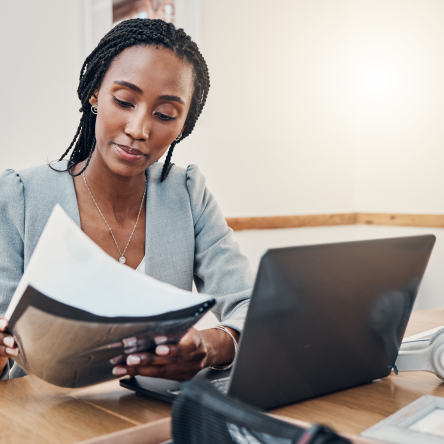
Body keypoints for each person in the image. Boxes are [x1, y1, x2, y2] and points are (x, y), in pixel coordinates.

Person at [0, 19, 253, 382]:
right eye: (124, 101)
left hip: (153, 419)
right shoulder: (19, 196)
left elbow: (251, 307)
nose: (139, 129)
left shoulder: (188, 194)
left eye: (165, 114)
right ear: (94, 94)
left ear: (184, 125)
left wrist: (213, 344)